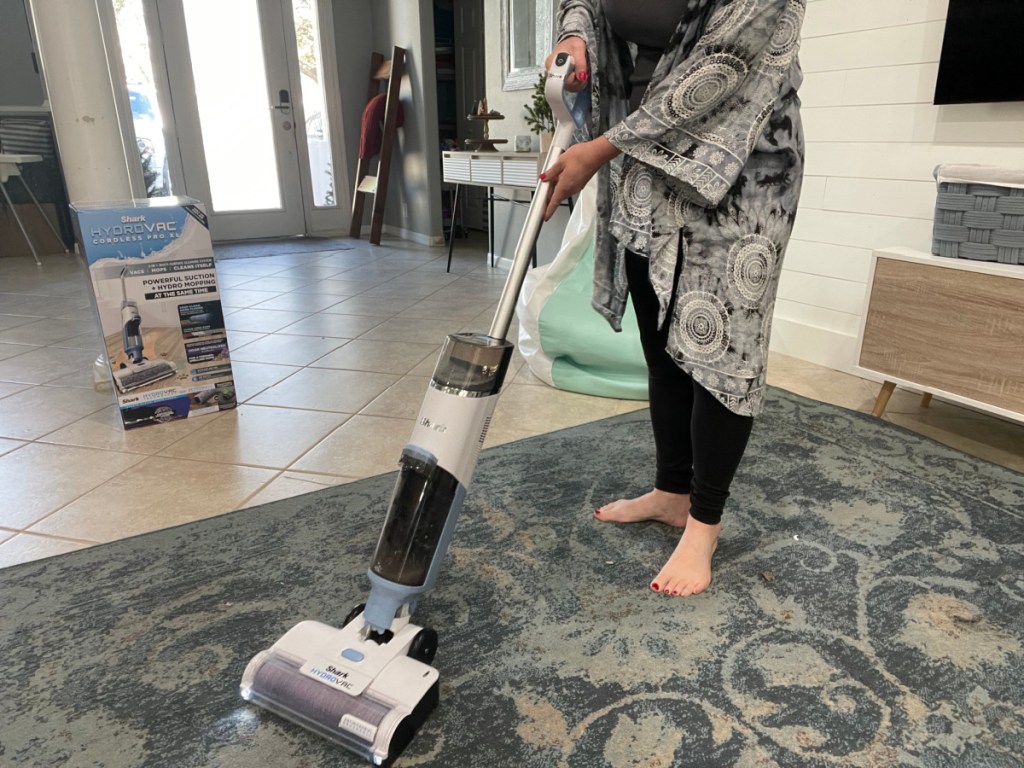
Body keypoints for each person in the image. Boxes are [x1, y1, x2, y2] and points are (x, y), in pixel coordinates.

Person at [540, 0, 805, 597]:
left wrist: (598, 149)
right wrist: (576, 35)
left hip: (742, 164)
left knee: (722, 348)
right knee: (661, 342)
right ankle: (671, 492)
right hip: (643, 160)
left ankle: (704, 524)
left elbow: (722, 64)